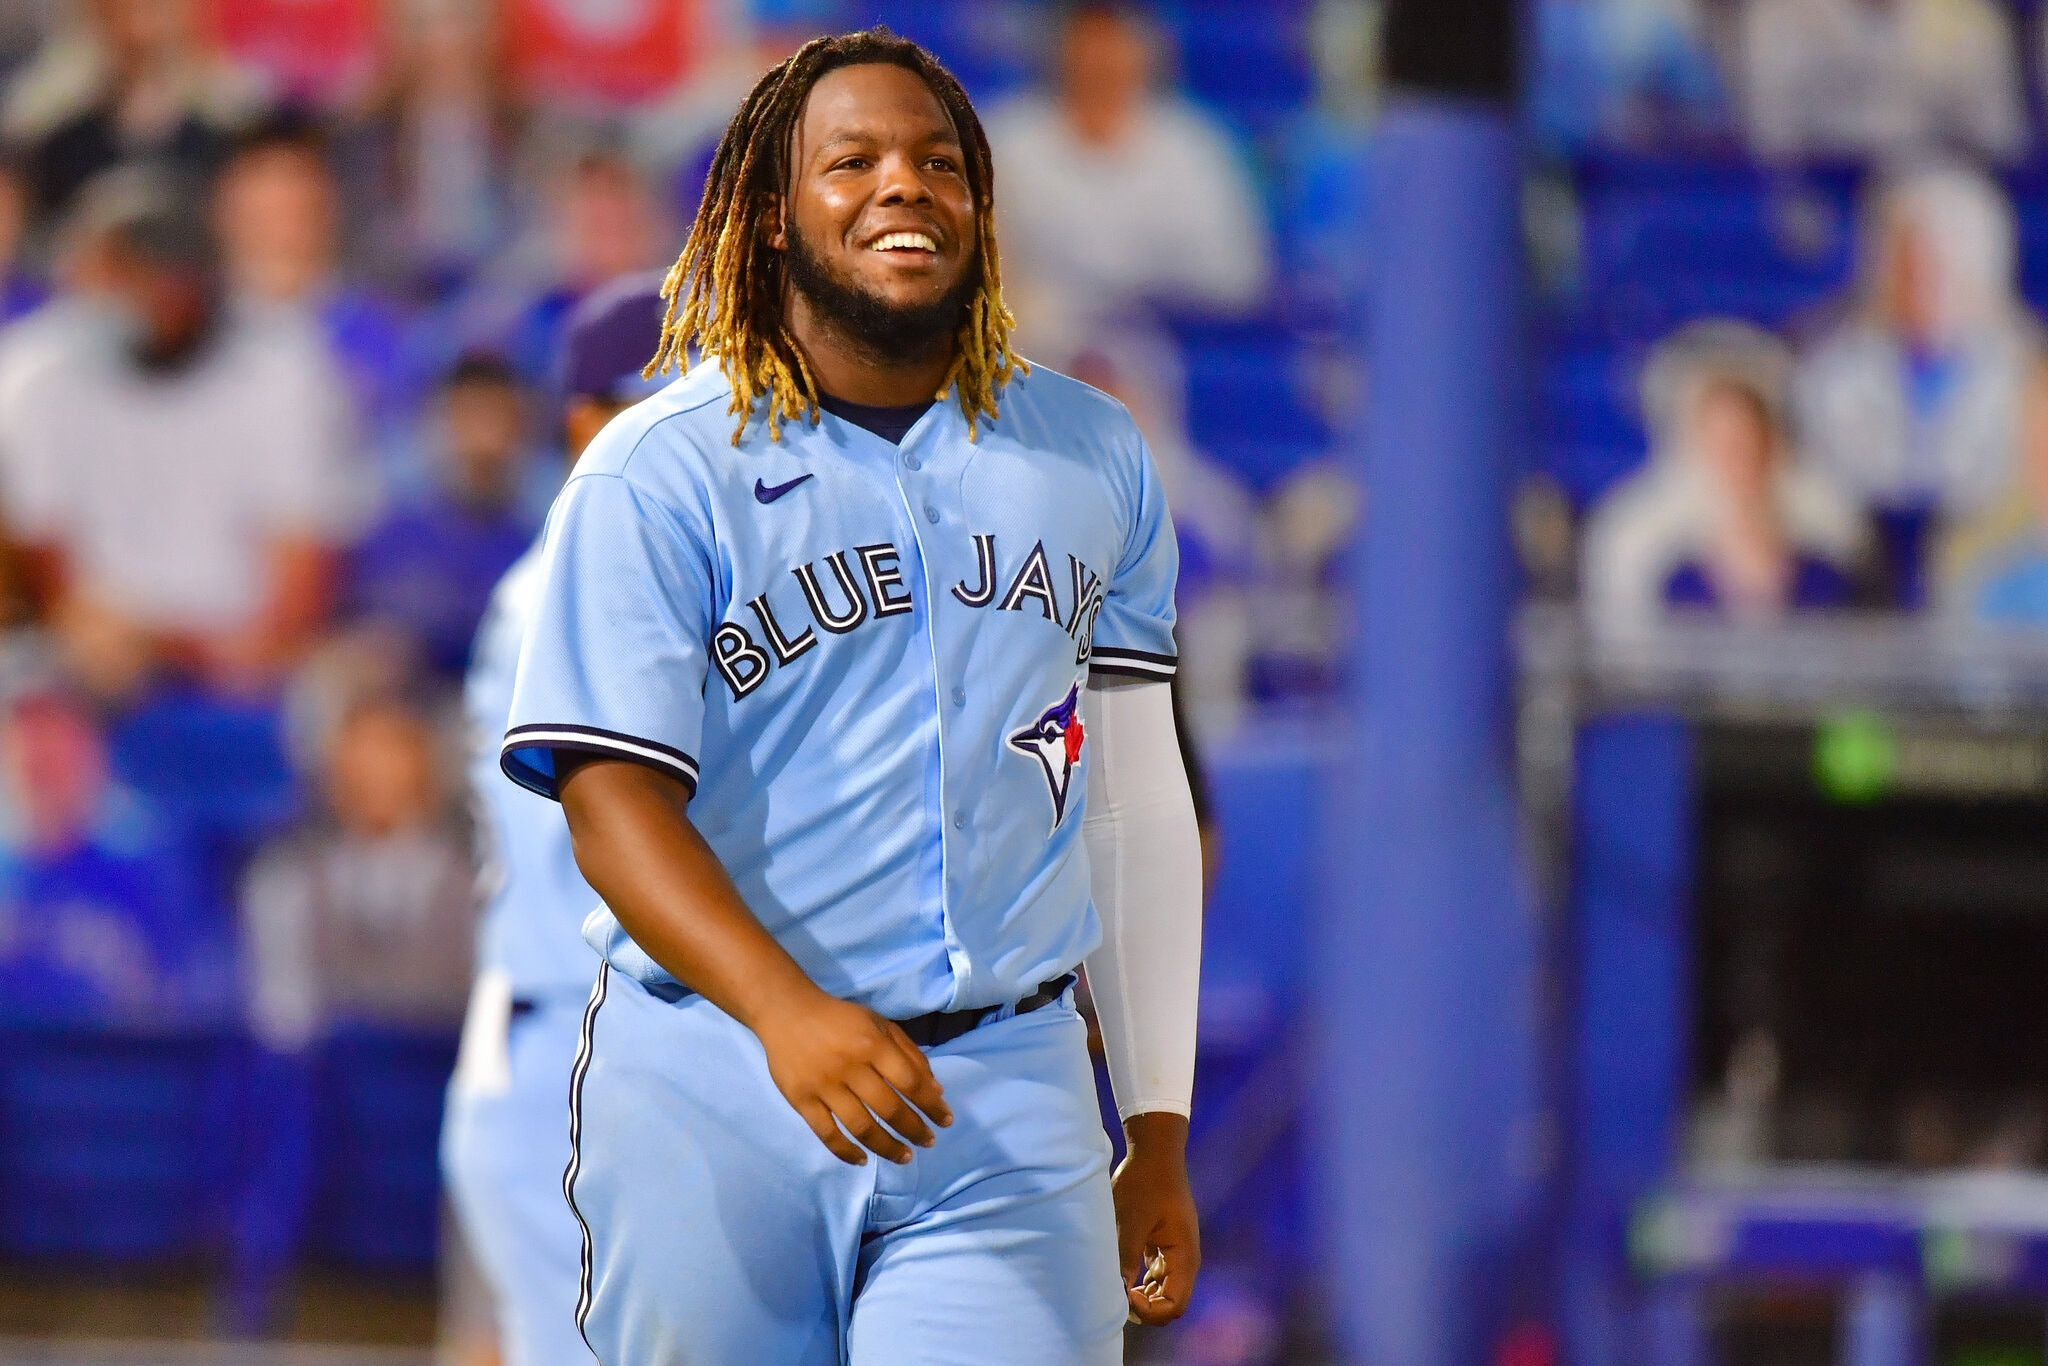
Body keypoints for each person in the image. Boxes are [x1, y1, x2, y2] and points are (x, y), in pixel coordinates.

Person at [496, 29, 1203, 1361]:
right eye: (855, 161)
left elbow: (1132, 803)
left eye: (941, 162)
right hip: (717, 1070)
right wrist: (785, 1010)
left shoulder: (1095, 452)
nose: (905, 186)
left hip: (1005, 1081)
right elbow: (610, 798)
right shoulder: (656, 470)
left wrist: (1153, 1122)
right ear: (773, 216)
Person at [441, 271, 666, 1366]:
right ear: (586, 420)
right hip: (573, 1067)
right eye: (662, 406)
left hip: (570, 1056)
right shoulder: (573, 589)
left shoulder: (609, 575)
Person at [0, 169, 365, 700]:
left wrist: (170, 645)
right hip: (84, 665)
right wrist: (112, 637)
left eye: (170, 270)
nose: (156, 291)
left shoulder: (285, 367)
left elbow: (300, 587)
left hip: (249, 666)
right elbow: (42, 567)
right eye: (130, 270)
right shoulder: (34, 372)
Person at [1794, 161, 2040, 607]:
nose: (1925, 277)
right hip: (1863, 569)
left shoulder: (2024, 371)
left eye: (1942, 260)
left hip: (1991, 562)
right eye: (1910, 258)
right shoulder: (1831, 370)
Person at [982, 1, 1269, 353]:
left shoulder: (1199, 149)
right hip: (1035, 356)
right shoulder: (1003, 141)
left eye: (1113, 38)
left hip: (1173, 353)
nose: (1099, 56)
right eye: (1087, 39)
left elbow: (1237, 279)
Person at [1583, 320, 1868, 630]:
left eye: (1747, 436)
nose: (1735, 454)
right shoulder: (1632, 532)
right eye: (1718, 439)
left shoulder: (1828, 521)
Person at [0, 678, 210, 1026]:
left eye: (58, 735)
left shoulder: (151, 866)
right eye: (23, 734)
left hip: (117, 1070)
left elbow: (186, 1007)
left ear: (94, 750)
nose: (38, 752)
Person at [213, 118, 418, 445]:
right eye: (266, 181)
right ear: (225, 204)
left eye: (299, 182)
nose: (284, 201)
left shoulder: (382, 335)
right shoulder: (189, 327)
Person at [343, 352, 537, 678]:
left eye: (496, 419)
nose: (481, 441)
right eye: (468, 418)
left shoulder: (542, 542)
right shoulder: (393, 536)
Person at [1, 0, 270, 224]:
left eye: (155, 10)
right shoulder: (62, 141)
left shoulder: (225, 134)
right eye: (125, 13)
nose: (141, 31)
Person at [1737, 0, 2026, 164]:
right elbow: (1769, 143)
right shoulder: (1778, 16)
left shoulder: (1970, 22)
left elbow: (2000, 145)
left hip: (1939, 200)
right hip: (1818, 206)